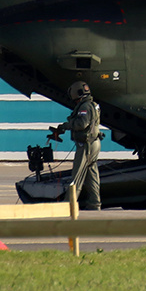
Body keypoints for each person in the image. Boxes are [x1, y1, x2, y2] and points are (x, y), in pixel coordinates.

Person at [50, 81, 101, 210]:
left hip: (86, 146)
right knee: (91, 176)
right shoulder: (93, 105)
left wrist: (67, 125)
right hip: (94, 143)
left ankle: (68, 205)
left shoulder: (85, 107)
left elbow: (81, 124)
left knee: (77, 177)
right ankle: (95, 203)